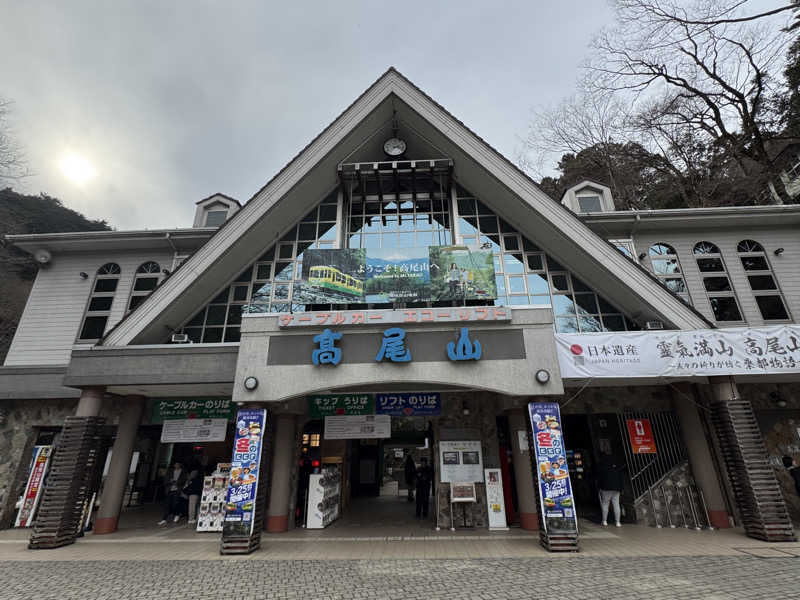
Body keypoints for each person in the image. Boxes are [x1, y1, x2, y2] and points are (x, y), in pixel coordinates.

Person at [596, 455, 625, 527]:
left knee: (605, 504)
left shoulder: (602, 469)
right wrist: (621, 489)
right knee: (616, 505)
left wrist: (599, 488)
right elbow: (621, 480)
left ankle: (604, 521)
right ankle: (618, 522)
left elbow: (600, 480)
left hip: (605, 489)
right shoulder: (617, 469)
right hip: (616, 489)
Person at [158, 462, 187, 526]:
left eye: (177, 464)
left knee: (175, 504)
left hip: (177, 490)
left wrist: (177, 482)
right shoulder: (170, 471)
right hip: (170, 490)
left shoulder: (183, 472)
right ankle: (164, 519)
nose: (176, 465)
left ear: (180, 465)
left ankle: (177, 514)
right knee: (167, 505)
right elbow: (165, 480)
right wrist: (170, 481)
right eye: (175, 464)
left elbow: (184, 480)